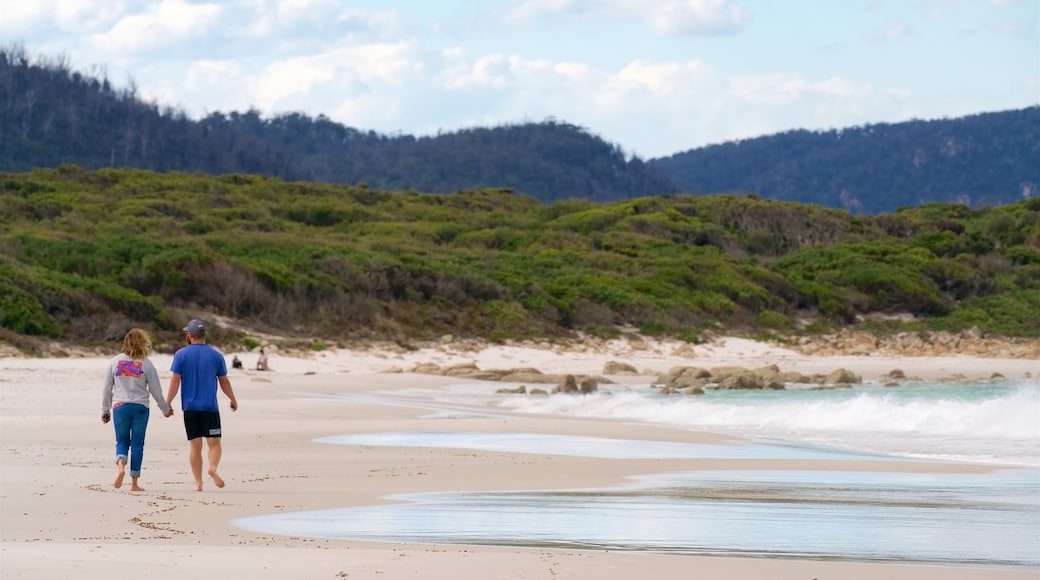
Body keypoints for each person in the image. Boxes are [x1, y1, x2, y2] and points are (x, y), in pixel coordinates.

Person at [166, 319, 238, 491]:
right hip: (210, 407)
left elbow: (175, 381)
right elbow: (224, 381)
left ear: (190, 335)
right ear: (204, 335)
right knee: (214, 443)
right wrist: (233, 399)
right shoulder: (216, 356)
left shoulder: (181, 355)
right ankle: (212, 468)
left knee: (195, 445)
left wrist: (167, 402)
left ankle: (198, 483)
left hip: (190, 408)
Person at [101, 328, 174, 491]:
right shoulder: (147, 364)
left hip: (120, 407)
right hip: (140, 407)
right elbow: (156, 390)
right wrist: (165, 409)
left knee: (121, 442)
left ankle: (121, 467)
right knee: (137, 445)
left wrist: (105, 410)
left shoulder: (114, 361)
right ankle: (134, 483)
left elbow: (107, 389)